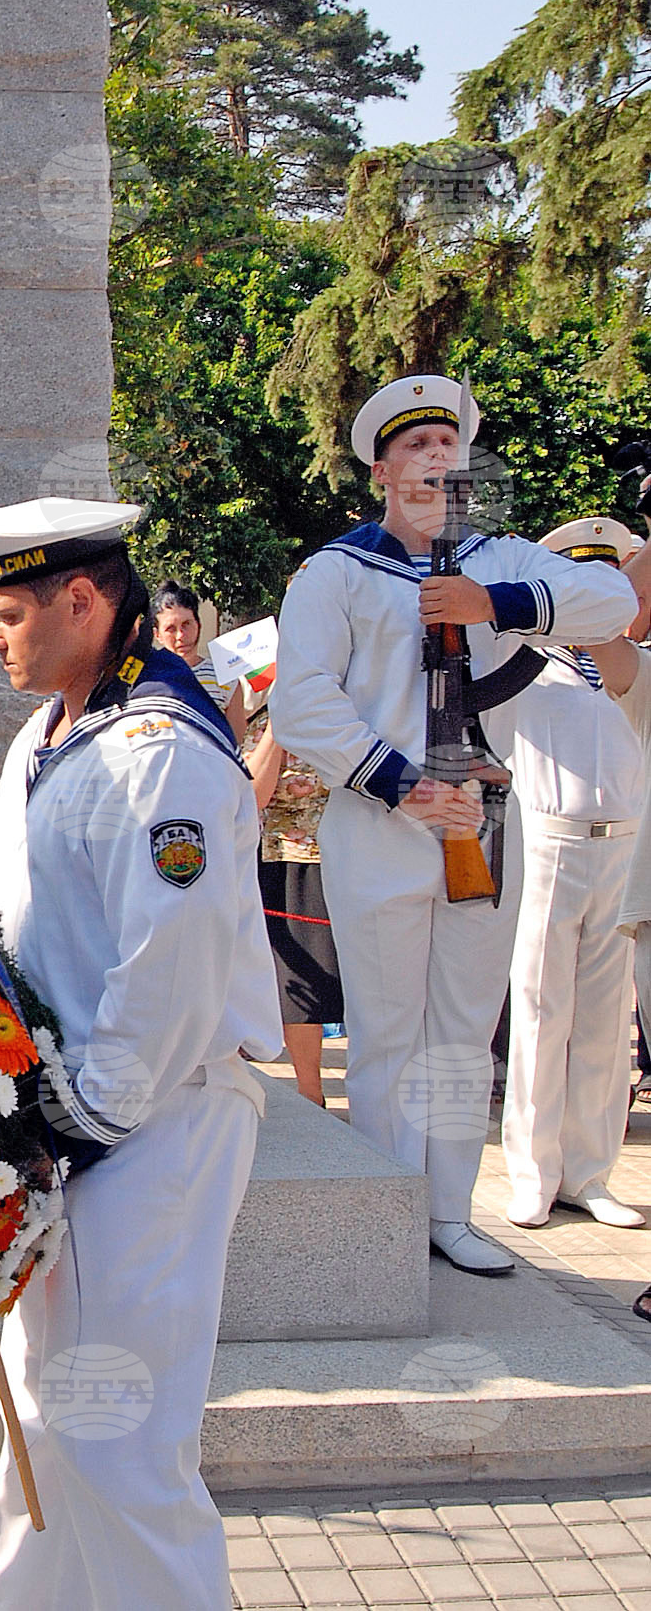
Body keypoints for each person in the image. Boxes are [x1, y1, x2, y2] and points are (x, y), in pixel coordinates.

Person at [0, 495, 281, 1611]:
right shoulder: (53, 734)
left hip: (149, 1122)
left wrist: (77, 1120)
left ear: (83, 601)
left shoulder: (163, 754)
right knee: (50, 1422)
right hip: (71, 1123)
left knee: (122, 1445)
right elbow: (13, 903)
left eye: (5, 614)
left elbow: (169, 963)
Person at [272, 374, 638, 1275]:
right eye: (414, 449)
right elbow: (305, 703)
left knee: (465, 1026)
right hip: (385, 816)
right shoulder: (337, 571)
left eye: (448, 445)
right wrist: (403, 786)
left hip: (487, 818)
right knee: (389, 1026)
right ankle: (391, 1208)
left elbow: (614, 606)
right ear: (380, 473)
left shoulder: (509, 561)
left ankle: (447, 1211)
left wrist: (492, 606)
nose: (436, 459)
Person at [498, 518, 651, 1230]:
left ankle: (590, 1171)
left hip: (622, 847)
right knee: (538, 1010)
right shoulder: (525, 667)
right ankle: (533, 1171)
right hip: (551, 842)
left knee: (601, 1021)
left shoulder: (634, 664)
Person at [245, 689, 342, 1109]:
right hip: (288, 860)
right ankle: (311, 1092)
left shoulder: (341, 711)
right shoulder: (261, 721)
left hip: (352, 854)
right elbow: (254, 794)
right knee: (302, 983)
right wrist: (278, 731)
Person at [152, 580, 247, 742]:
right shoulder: (146, 678)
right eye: (170, 629)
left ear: (199, 625)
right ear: (157, 635)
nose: (180, 636)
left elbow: (236, 741)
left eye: (186, 624)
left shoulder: (225, 678)